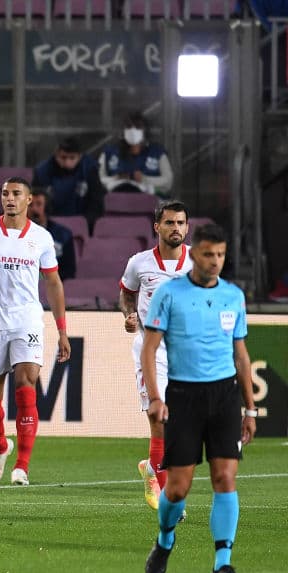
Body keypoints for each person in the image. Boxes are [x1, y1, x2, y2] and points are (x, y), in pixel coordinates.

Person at [142, 223, 256, 573]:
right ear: (194, 254)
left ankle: (223, 563)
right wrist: (157, 397)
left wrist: (250, 408)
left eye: (221, 255)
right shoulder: (169, 293)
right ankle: (164, 541)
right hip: (184, 397)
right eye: (208, 254)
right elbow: (149, 348)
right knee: (178, 488)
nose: (215, 261)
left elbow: (240, 354)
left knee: (225, 477)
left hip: (224, 397)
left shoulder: (233, 296)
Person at [0, 177, 71, 486]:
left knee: (27, 383)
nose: (10, 198)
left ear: (29, 200)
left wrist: (62, 330)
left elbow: (53, 283)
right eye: (5, 193)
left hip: (27, 322)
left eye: (16, 194)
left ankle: (21, 465)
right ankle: (1, 446)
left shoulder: (42, 238)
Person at [119, 200, 191, 511]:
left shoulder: (197, 264)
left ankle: (152, 467)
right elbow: (126, 293)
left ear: (187, 228)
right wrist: (129, 314)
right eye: (170, 223)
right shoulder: (139, 263)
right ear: (157, 227)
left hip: (187, 353)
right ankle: (168, 499)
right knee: (159, 418)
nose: (176, 228)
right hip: (151, 351)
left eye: (180, 223)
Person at [99, 111, 174, 197]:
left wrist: (144, 179)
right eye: (129, 127)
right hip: (116, 204)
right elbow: (97, 179)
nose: (133, 130)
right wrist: (115, 179)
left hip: (151, 205)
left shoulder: (157, 152)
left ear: (145, 130)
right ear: (123, 131)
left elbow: (168, 182)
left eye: (138, 127)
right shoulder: (109, 152)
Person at [32, 136, 104, 221]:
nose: (67, 162)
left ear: (80, 156)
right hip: (50, 222)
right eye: (63, 157)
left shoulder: (89, 170)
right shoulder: (42, 172)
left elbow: (96, 202)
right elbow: (35, 202)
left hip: (81, 222)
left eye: (72, 158)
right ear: (56, 154)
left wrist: (85, 223)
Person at [28, 188, 77, 281]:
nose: (34, 209)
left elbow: (69, 271)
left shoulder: (63, 235)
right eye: (30, 205)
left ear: (46, 207)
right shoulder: (15, 234)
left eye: (38, 204)